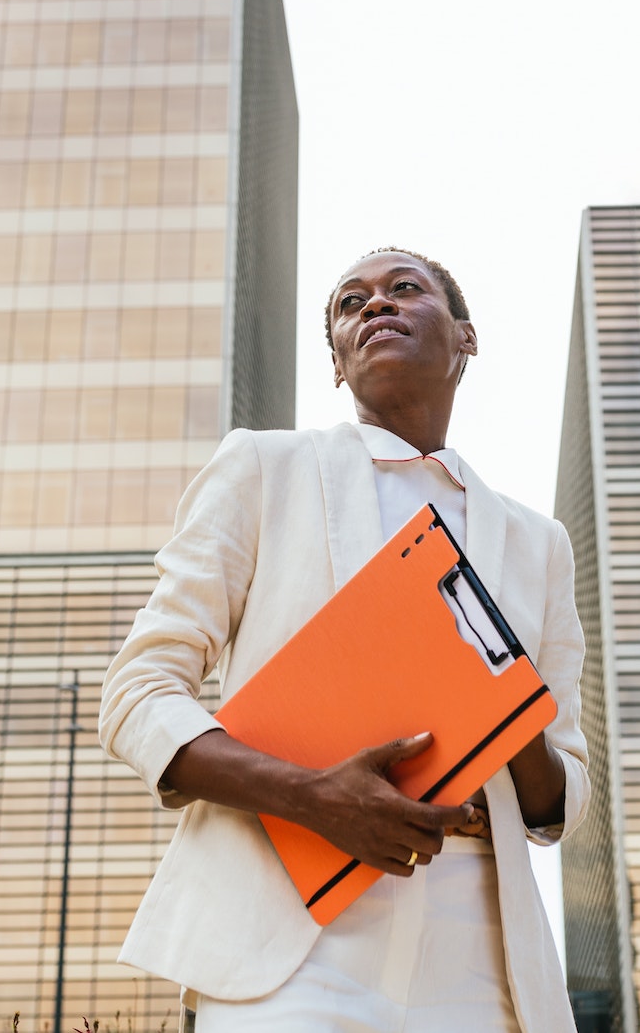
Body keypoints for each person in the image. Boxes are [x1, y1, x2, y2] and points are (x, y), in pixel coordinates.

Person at [99, 248, 590, 1033]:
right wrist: (313, 798)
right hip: (290, 938)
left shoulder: (541, 544)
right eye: (349, 304)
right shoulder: (265, 468)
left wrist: (503, 700)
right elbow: (136, 695)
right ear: (336, 361)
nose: (375, 307)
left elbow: (561, 797)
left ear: (466, 337)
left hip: (482, 958)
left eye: (404, 290)